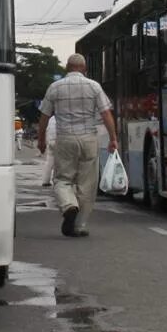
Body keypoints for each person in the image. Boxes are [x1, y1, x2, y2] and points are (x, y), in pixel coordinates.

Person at [36, 54, 118, 238]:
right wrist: (113, 138)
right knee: (87, 184)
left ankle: (68, 205)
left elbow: (44, 117)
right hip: (88, 138)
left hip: (65, 138)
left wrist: (41, 139)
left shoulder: (54, 87)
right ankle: (79, 226)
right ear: (84, 68)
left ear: (67, 67)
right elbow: (106, 114)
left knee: (62, 179)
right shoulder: (94, 86)